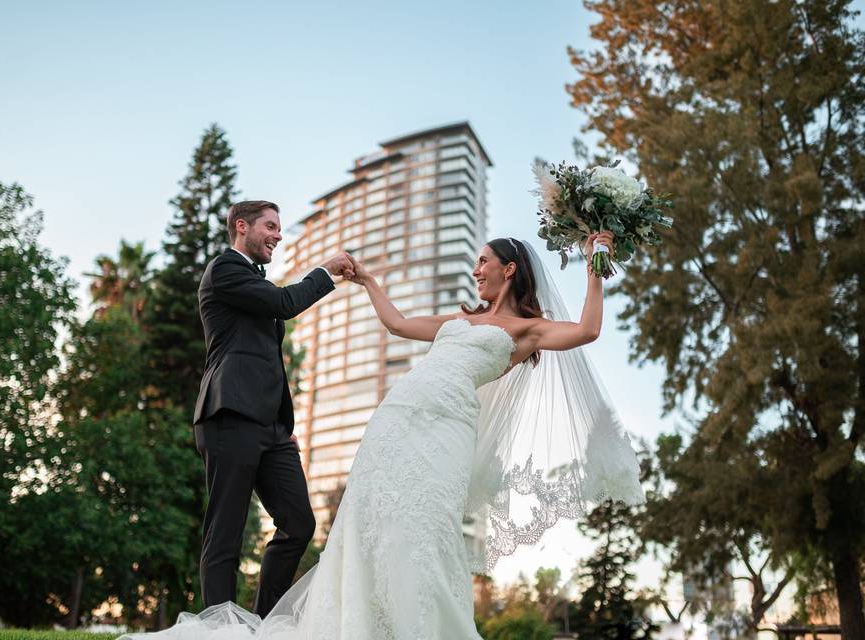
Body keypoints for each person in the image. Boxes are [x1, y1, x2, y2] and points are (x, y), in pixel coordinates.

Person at [125, 232, 642, 640]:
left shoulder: (528, 329)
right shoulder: (461, 318)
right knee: (372, 520)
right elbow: (396, 324)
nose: (476, 268)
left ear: (509, 269)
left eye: (484, 261)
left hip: (449, 426)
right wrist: (368, 281)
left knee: (428, 525)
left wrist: (596, 261)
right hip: (397, 418)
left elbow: (588, 330)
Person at [191, 200, 354, 617]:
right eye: (271, 226)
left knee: (299, 523)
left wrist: (282, 422)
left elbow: (266, 357)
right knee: (225, 531)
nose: (278, 235)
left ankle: (264, 623)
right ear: (241, 226)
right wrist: (326, 270)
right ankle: (220, 628)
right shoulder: (224, 269)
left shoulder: (252, 281)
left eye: (279, 228)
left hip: (272, 429)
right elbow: (284, 303)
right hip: (228, 415)